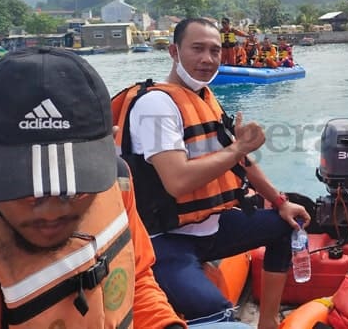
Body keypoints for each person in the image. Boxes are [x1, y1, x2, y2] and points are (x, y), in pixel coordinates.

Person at [112, 18, 310, 329]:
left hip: (209, 226)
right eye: (198, 49)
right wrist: (238, 148)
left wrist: (280, 202)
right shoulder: (155, 105)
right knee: (216, 313)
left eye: (215, 51)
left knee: (285, 226)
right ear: (174, 52)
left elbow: (239, 162)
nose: (207, 59)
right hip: (164, 238)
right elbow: (178, 182)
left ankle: (269, 321)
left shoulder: (205, 97)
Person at [0, 47, 187, 328]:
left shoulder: (118, 182)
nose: (50, 212)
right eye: (21, 186)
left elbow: (138, 277)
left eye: (74, 186)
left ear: (110, 147)